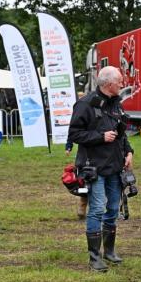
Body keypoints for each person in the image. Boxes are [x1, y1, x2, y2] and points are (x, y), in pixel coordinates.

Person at [68, 66, 134, 272]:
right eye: (119, 81)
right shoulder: (85, 104)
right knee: (96, 209)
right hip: (94, 166)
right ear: (108, 84)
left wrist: (129, 152)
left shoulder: (116, 104)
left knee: (113, 209)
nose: (122, 84)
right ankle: (94, 257)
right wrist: (100, 137)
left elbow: (121, 132)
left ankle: (110, 251)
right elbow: (74, 134)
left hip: (115, 166)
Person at [66, 91, 88, 220]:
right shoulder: (79, 114)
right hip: (84, 153)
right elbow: (73, 131)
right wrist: (69, 146)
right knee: (84, 182)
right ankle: (82, 205)